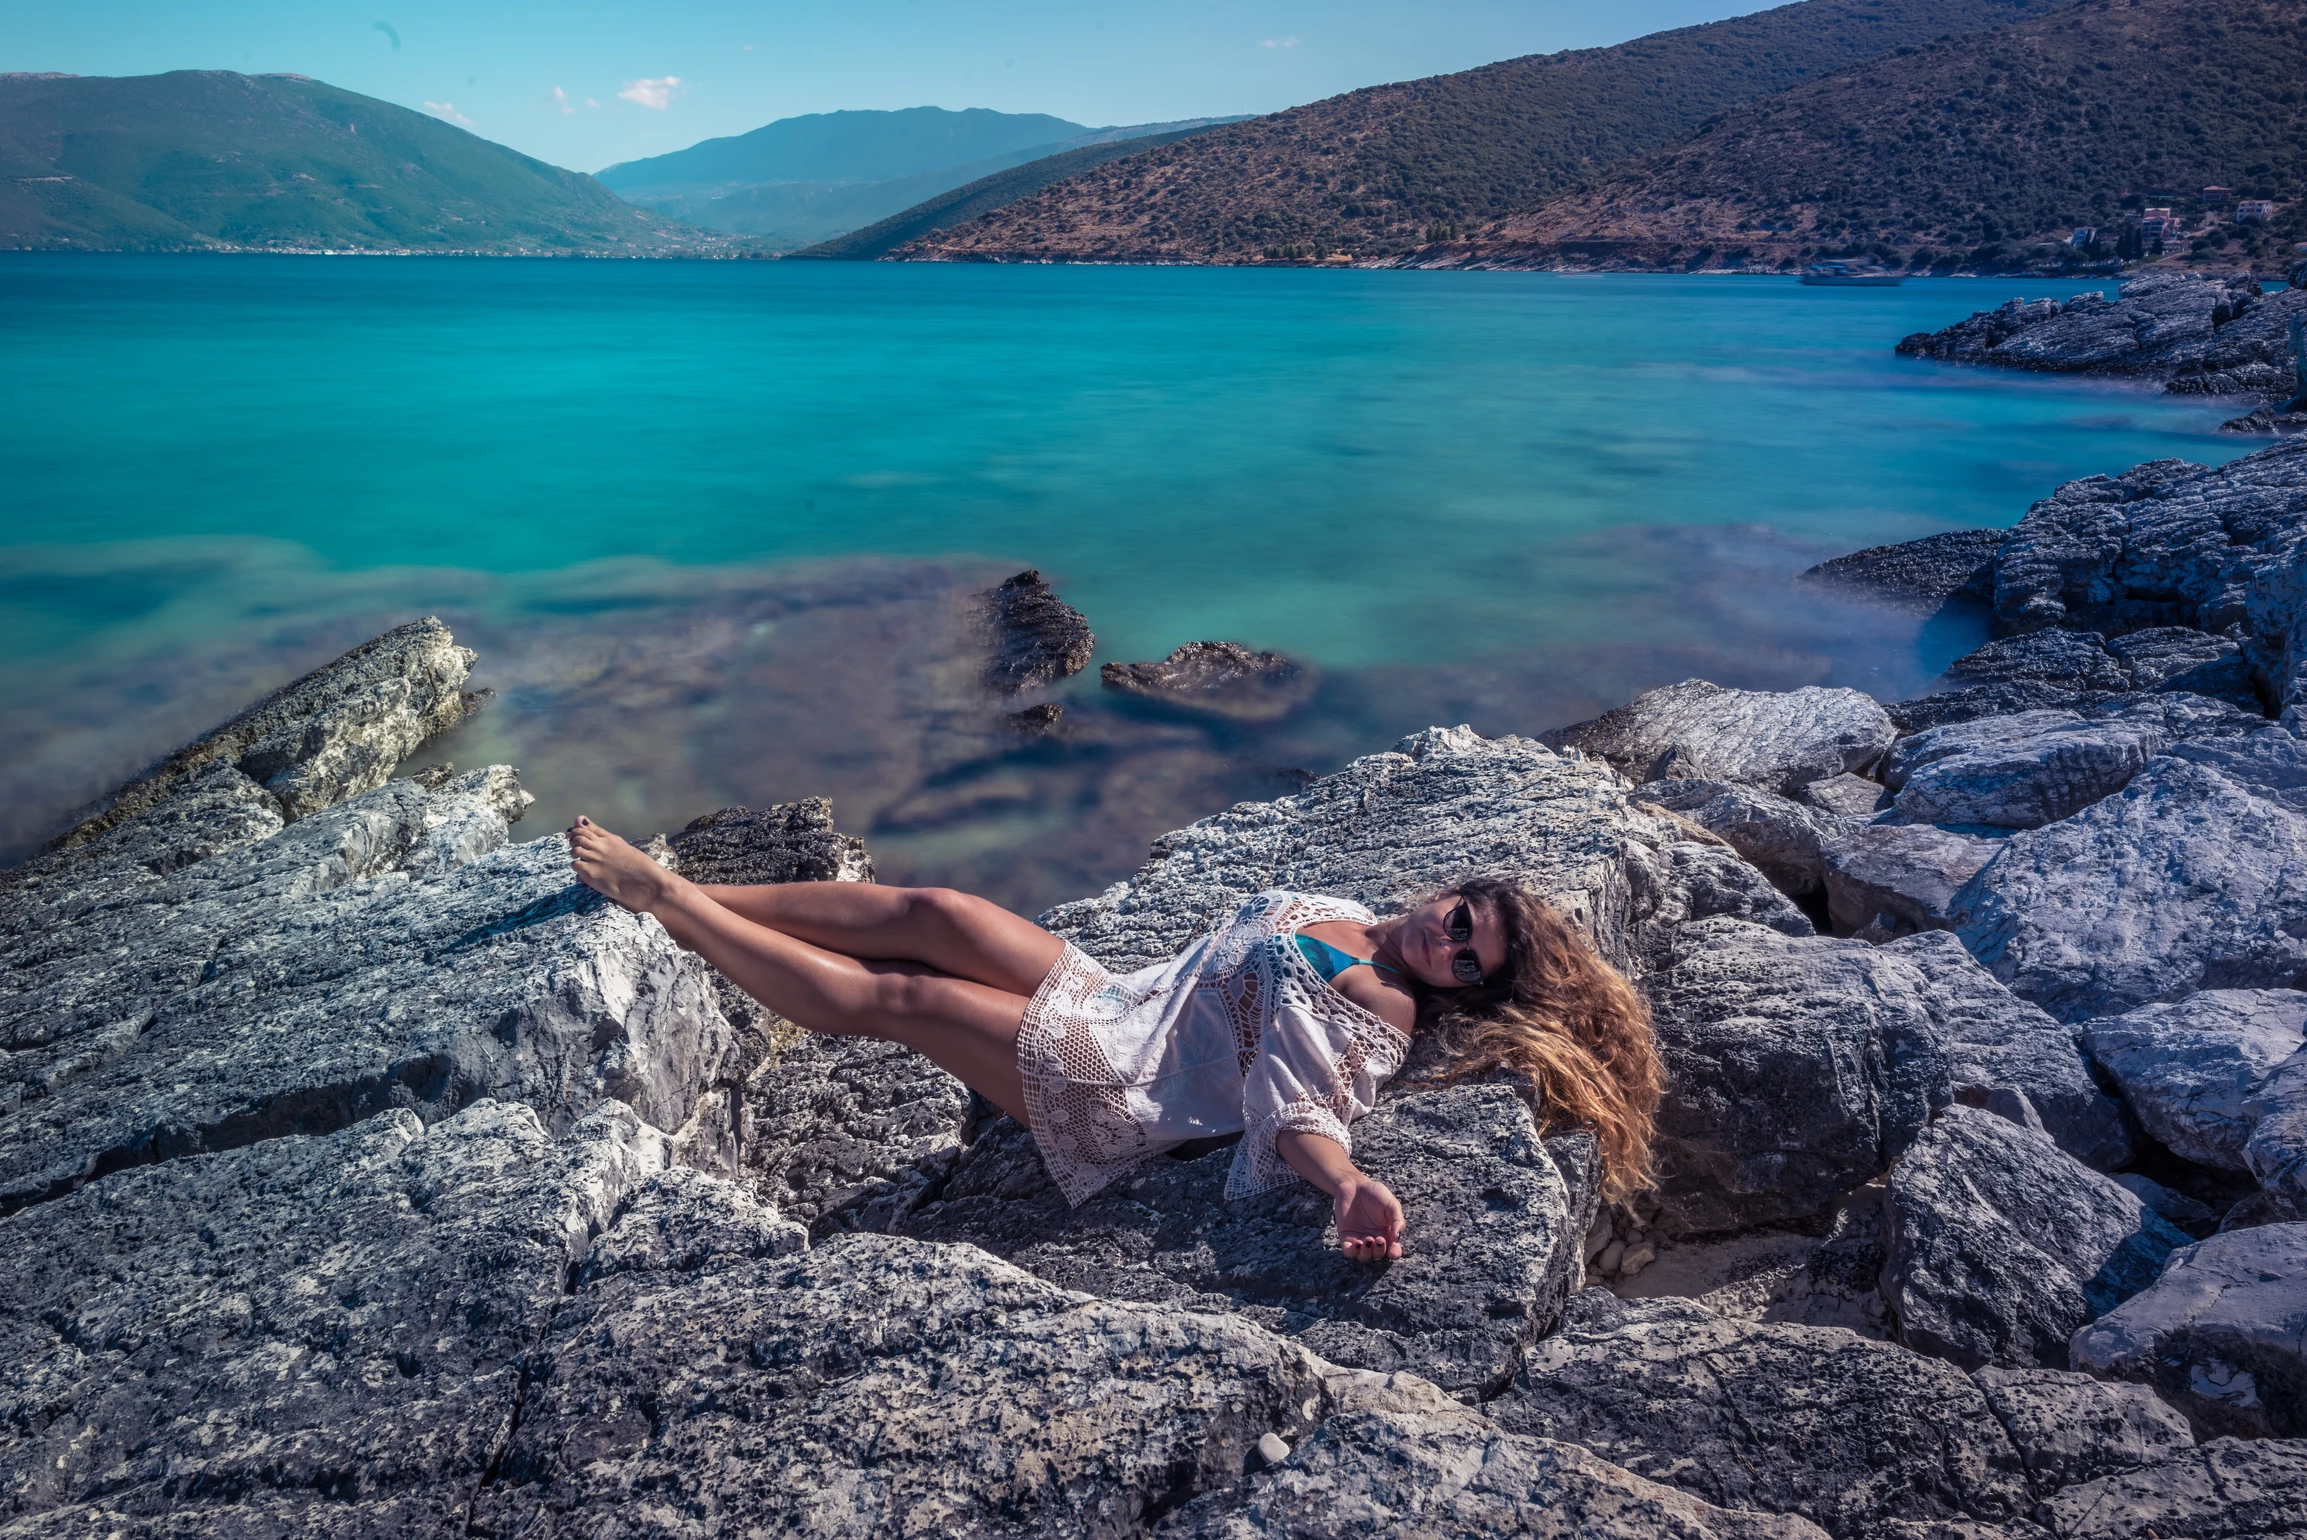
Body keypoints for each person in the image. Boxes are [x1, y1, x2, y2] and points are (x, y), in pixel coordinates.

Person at [567, 817, 1662, 1263]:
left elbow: (1303, 1104)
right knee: (937, 910)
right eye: (1465, 921)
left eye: (1471, 963)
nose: (1451, 946)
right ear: (1457, 890)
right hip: (1119, 1002)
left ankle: (667, 901)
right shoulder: (1346, 907)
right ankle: (716, 890)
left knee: (902, 996)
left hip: (1117, 1083)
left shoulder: (1381, 1003)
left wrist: (1343, 1190)